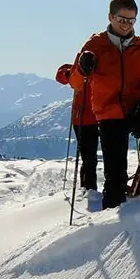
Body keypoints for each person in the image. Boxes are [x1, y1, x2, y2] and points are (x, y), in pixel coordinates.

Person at [73, 0, 140, 209]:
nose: (126, 25)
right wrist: (83, 68)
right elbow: (77, 82)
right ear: (110, 17)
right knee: (115, 176)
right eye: (122, 19)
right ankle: (111, 218)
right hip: (109, 114)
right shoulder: (95, 46)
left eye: (131, 20)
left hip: (136, 108)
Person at [54, 58, 102, 193]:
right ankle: (89, 189)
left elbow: (61, 74)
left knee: (90, 157)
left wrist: (70, 74)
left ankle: (90, 190)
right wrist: (71, 74)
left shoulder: (99, 60)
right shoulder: (88, 59)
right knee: (89, 157)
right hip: (89, 117)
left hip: (89, 117)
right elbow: (61, 74)